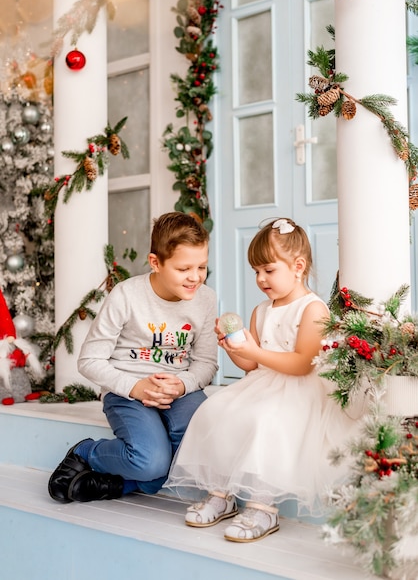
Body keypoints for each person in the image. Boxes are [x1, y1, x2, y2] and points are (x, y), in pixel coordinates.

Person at [164, 217, 359, 543]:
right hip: (265, 381)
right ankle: (220, 493)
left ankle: (262, 506)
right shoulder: (261, 310)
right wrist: (232, 348)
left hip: (299, 388)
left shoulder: (312, 309)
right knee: (218, 410)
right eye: (256, 271)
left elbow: (301, 364)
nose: (260, 278)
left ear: (297, 266)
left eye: (268, 270)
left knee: (266, 419)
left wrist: (254, 349)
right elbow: (251, 364)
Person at [48, 211, 218, 504]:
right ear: (156, 263)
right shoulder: (127, 295)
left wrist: (182, 385)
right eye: (183, 268)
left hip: (180, 391)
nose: (195, 277)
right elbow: (89, 360)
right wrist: (135, 388)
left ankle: (117, 486)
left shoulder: (206, 299)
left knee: (196, 454)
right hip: (127, 391)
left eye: (201, 266)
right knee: (151, 462)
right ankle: (87, 452)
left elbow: (206, 362)